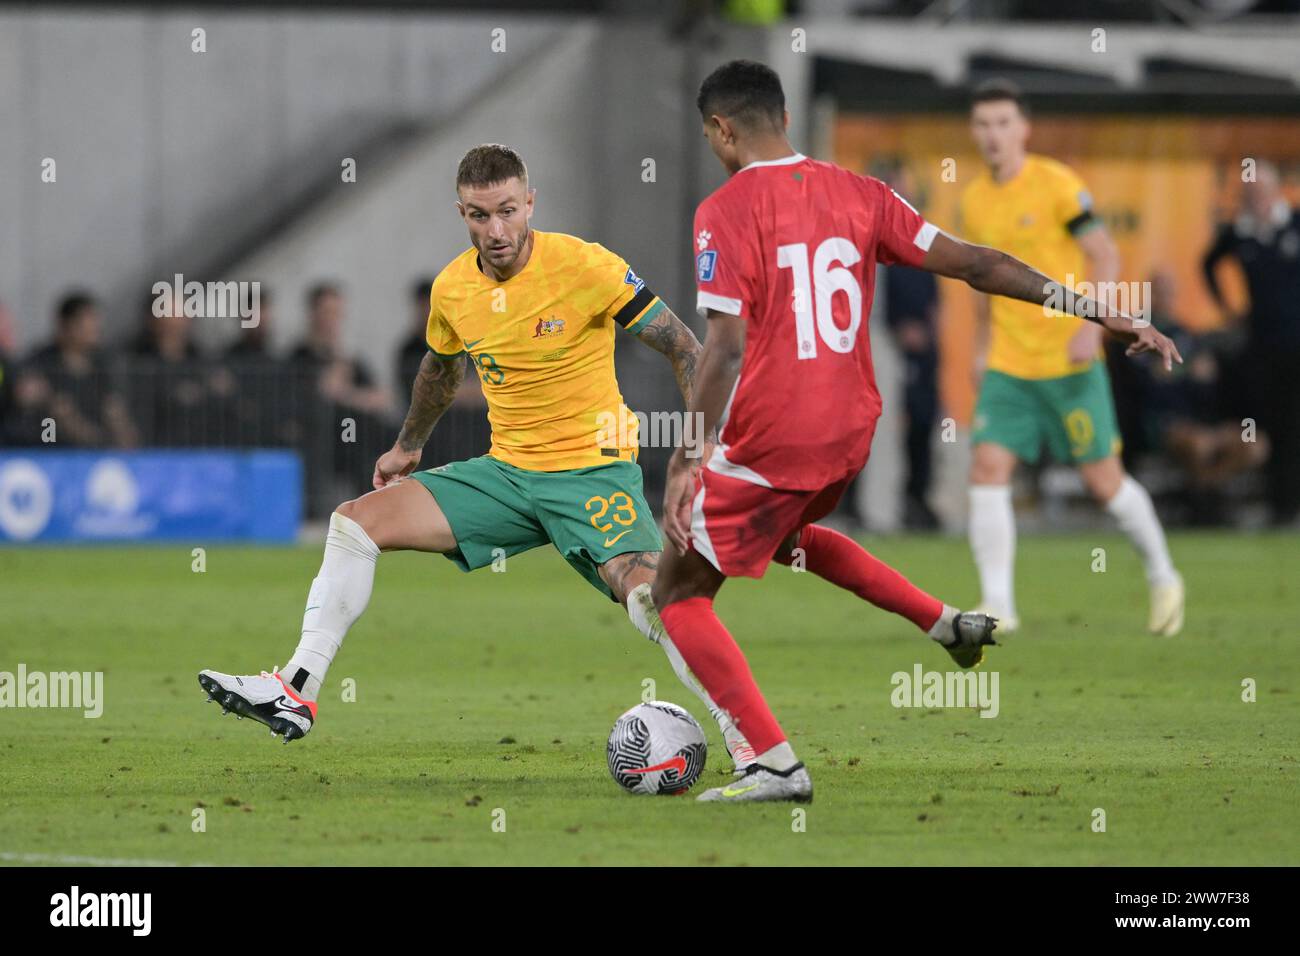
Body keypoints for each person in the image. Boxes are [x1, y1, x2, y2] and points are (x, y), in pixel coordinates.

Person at [651, 60, 1179, 803]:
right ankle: (945, 624)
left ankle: (772, 762)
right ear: (788, 122)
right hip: (851, 432)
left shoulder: (725, 209)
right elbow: (982, 265)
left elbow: (726, 345)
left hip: (779, 432)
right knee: (790, 538)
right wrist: (1099, 308)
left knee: (675, 591)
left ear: (722, 130)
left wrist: (687, 456)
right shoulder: (863, 193)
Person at [197, 144, 756, 768]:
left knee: (650, 595)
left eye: (507, 211)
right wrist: (408, 446)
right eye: (478, 215)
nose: (495, 230)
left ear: (531, 203)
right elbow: (439, 372)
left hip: (590, 470)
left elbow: (684, 347)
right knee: (355, 522)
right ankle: (295, 691)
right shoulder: (453, 288)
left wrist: (700, 446)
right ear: (461, 212)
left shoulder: (586, 266)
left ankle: (746, 738)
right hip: (507, 474)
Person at [959, 79, 1183, 636]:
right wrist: (983, 347)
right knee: (988, 469)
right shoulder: (973, 200)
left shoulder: (1057, 184)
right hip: (1010, 364)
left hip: (1069, 362)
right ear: (973, 131)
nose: (994, 134)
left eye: (1004, 122)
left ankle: (1163, 575)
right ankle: (998, 605)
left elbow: (1104, 252)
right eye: (984, 124)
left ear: (1024, 128)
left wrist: (1090, 325)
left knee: (1105, 483)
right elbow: (984, 282)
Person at [1201, 159, 1300, 526]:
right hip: (1263, 346)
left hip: (1297, 342)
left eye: (1259, 190)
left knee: (1294, 425)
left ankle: (1288, 503)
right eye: (1248, 192)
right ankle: (1280, 507)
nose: (1254, 198)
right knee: (1267, 426)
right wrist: (1229, 309)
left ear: (1276, 190)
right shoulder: (1239, 234)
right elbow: (1208, 263)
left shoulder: (1294, 223)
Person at [19, 292, 137, 448]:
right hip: (49, 451)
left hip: (98, 453)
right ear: (66, 325)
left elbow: (116, 412)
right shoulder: (40, 363)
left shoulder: (104, 365)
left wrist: (119, 428)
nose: (95, 329)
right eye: (87, 323)